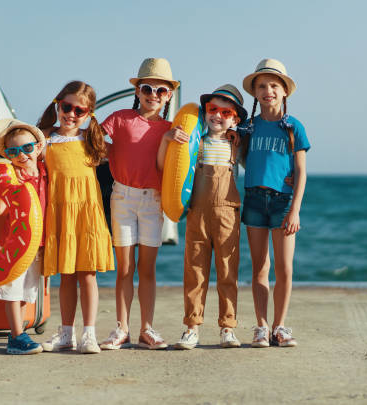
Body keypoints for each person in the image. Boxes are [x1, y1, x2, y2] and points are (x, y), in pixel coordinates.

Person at [157, 85, 247, 349]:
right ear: (205, 111)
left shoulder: (236, 144)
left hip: (227, 213)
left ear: (235, 119)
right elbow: (167, 168)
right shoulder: (195, 143)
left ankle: (227, 327)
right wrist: (168, 140)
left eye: (226, 112)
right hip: (198, 213)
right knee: (195, 270)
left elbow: (256, 165)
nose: (218, 116)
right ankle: (192, 327)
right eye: (212, 109)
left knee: (228, 271)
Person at [99, 58, 179, 350]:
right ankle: (121, 329)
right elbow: (95, 141)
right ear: (137, 91)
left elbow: (177, 168)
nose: (153, 95)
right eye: (147, 88)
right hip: (121, 197)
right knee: (123, 269)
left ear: (169, 95)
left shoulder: (171, 130)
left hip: (152, 202)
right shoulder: (120, 118)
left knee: (147, 270)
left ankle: (147, 328)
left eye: (161, 90)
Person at [37, 81, 115, 354]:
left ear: (89, 113)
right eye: (66, 107)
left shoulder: (92, 140)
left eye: (78, 110)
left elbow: (128, 158)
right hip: (59, 214)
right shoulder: (43, 139)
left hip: (86, 214)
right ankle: (66, 333)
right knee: (66, 275)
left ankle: (89, 335)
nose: (71, 114)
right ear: (58, 104)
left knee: (88, 275)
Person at [240, 58, 309, 347]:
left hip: (282, 203)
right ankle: (261, 326)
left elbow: (302, 170)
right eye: (262, 86)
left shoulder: (293, 126)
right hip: (254, 199)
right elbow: (244, 158)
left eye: (273, 85)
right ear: (255, 93)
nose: (268, 90)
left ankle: (280, 326)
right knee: (260, 267)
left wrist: (295, 209)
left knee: (284, 268)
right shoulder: (248, 127)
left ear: (284, 91)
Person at [0, 118, 47, 355]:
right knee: (12, 289)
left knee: (27, 291)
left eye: (27, 148)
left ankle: (17, 333)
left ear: (38, 147)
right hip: (13, 244)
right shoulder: (11, 178)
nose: (22, 155)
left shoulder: (47, 173)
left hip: (38, 244)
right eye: (14, 151)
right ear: (7, 155)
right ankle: (17, 336)